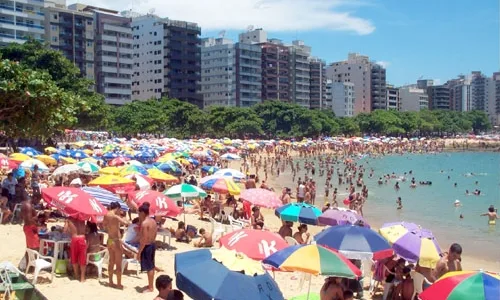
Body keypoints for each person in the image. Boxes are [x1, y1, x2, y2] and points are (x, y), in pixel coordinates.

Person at [103, 201, 130, 289]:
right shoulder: (115, 216)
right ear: (117, 208)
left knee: (111, 261)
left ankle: (110, 282)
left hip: (109, 239)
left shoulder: (106, 214)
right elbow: (126, 223)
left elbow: (103, 226)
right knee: (118, 263)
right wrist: (126, 218)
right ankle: (119, 284)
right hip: (116, 240)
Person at [138, 204, 158, 293]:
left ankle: (150, 287)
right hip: (153, 244)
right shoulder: (153, 221)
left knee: (149, 267)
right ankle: (150, 285)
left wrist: (139, 252)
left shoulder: (144, 223)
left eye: (139, 212)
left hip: (147, 246)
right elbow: (155, 233)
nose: (138, 214)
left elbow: (144, 239)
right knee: (152, 266)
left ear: (142, 212)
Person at [65, 216, 87, 282]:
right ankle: (82, 278)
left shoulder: (69, 219)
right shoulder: (83, 218)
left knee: (74, 258)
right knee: (82, 259)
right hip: (82, 238)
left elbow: (65, 230)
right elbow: (86, 230)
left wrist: (67, 223)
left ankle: (76, 275)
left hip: (74, 239)